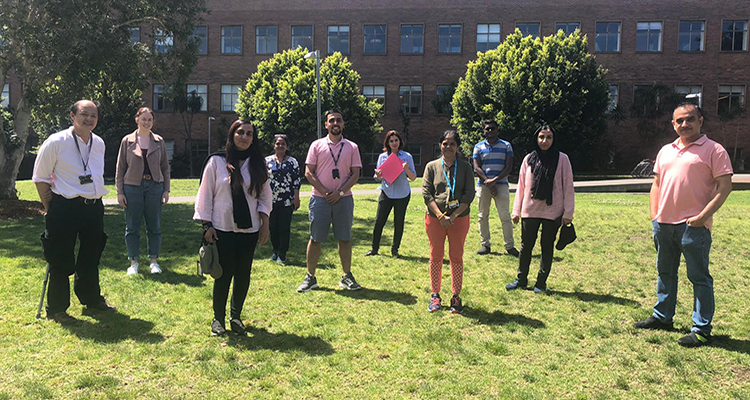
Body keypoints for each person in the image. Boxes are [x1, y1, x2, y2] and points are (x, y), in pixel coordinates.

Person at [634, 103, 733, 347]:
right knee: (665, 272)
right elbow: (656, 184)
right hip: (664, 224)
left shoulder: (714, 150)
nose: (684, 124)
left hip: (694, 226)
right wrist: (654, 215)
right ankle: (662, 316)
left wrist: (702, 217)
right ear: (673, 124)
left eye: (690, 119)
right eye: (679, 121)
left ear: (701, 120)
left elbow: (725, 187)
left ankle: (701, 329)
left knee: (699, 278)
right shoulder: (665, 151)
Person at [32, 100, 114, 323]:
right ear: (72, 116)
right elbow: (40, 178)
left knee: (91, 255)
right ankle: (57, 309)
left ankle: (91, 299)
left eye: (93, 116)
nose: (89, 119)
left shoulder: (98, 143)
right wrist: (50, 206)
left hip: (93, 207)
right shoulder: (56, 142)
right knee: (60, 258)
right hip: (64, 207)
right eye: (84, 114)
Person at [194, 120, 272, 336]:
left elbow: (265, 196)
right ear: (232, 134)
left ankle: (235, 317)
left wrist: (265, 222)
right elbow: (205, 194)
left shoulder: (258, 164)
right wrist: (206, 225)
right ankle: (217, 319)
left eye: (249, 134)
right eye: (240, 132)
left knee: (243, 274)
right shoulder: (216, 162)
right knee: (223, 274)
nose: (244, 137)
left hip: (250, 230)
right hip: (222, 228)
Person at [297, 110, 362, 292]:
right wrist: (326, 192)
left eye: (338, 120)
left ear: (343, 124)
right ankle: (310, 277)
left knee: (345, 238)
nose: (335, 123)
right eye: (331, 120)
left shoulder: (352, 147)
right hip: (320, 199)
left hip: (344, 199)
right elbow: (308, 172)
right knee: (315, 238)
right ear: (326, 124)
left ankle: (346, 276)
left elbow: (355, 174)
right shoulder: (316, 145)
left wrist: (340, 192)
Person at [505, 124, 574, 293]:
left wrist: (568, 213)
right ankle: (521, 279)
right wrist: (516, 210)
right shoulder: (529, 158)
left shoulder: (562, 159)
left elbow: (568, 186)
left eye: (548, 137)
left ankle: (541, 282)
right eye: (541, 137)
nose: (544, 141)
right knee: (526, 246)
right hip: (530, 209)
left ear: (553, 139)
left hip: (553, 210)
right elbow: (521, 186)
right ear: (536, 139)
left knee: (547, 246)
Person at [422, 130, 475, 313]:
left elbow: (469, 194)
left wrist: (453, 216)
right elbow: (427, 193)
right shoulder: (431, 166)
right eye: (445, 143)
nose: (448, 146)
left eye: (452, 143)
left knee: (456, 256)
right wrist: (440, 216)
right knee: (435, 256)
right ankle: (435, 295)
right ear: (440, 145)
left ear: (457, 147)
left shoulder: (466, 167)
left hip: (458, 219)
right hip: (435, 219)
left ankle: (456, 296)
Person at [115, 107, 171, 275]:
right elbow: (120, 168)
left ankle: (154, 261)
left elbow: (165, 168)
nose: (147, 122)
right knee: (132, 226)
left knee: (154, 226)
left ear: (153, 122)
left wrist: (166, 190)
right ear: (137, 119)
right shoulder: (127, 141)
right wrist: (119, 192)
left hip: (155, 187)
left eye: (150, 120)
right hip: (132, 187)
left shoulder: (159, 141)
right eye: (144, 119)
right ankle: (134, 262)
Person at [365, 130, 417, 258]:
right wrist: (378, 176)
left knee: (398, 222)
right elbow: (378, 177)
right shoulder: (382, 157)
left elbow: (413, 177)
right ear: (387, 143)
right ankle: (374, 248)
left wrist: (406, 170)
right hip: (386, 193)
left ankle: (395, 250)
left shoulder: (407, 156)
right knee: (379, 221)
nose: (394, 143)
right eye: (391, 141)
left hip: (402, 194)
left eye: (396, 140)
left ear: (400, 142)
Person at [473, 120, 519, 256]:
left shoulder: (506, 146)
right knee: (482, 216)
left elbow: (509, 167)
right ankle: (485, 245)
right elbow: (476, 167)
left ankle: (510, 246)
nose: (490, 131)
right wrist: (488, 181)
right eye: (487, 129)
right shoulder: (478, 147)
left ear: (498, 130)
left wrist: (495, 180)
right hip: (483, 185)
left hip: (502, 185)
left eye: (493, 128)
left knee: (505, 216)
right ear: (484, 131)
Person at [265, 134, 301, 264]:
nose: (280, 146)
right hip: (271, 200)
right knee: (272, 227)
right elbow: (263, 180)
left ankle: (282, 253)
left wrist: (296, 198)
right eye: (278, 143)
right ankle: (275, 251)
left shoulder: (292, 162)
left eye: (283, 144)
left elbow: (296, 181)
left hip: (287, 200)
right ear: (274, 145)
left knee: (284, 227)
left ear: (287, 146)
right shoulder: (267, 161)